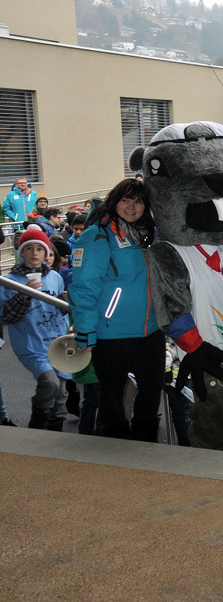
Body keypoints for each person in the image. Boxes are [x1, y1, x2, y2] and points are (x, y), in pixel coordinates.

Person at [68, 179, 164, 441]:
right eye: (126, 200)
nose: (132, 207)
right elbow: (83, 287)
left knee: (152, 387)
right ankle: (117, 446)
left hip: (150, 328)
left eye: (139, 201)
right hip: (112, 331)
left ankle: (145, 442)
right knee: (111, 392)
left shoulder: (146, 234)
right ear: (114, 201)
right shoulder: (97, 235)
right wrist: (86, 330)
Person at [0, 227, 70, 430]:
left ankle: (55, 431)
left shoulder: (55, 277)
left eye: (39, 248)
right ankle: (38, 421)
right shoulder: (9, 282)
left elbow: (60, 312)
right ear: (20, 252)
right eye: (28, 248)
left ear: (47, 253)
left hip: (57, 341)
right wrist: (24, 294)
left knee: (61, 391)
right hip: (32, 344)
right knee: (50, 383)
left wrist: (64, 302)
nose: (34, 253)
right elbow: (7, 317)